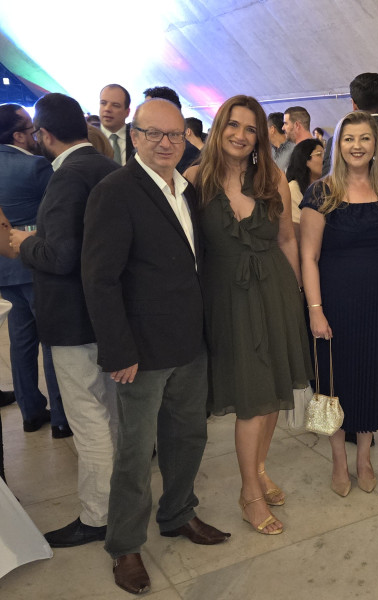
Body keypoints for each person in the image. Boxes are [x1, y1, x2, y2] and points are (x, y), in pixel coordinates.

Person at [82, 98, 230, 595]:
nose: (166, 143)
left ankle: (177, 514)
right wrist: (119, 351)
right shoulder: (115, 191)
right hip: (141, 352)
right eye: (154, 134)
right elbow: (100, 279)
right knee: (134, 453)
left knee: (187, 439)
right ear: (135, 136)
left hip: (189, 342)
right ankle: (125, 545)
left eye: (175, 135)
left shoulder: (185, 188)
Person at [184, 95, 313, 535]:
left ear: (260, 135)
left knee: (274, 388)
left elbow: (287, 241)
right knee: (250, 399)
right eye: (233, 126)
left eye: (251, 128)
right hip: (227, 299)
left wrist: (296, 295)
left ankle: (258, 470)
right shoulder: (194, 179)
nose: (241, 135)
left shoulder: (272, 177)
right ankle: (248, 494)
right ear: (219, 129)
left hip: (274, 290)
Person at [10, 93, 120, 548]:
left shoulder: (66, 178)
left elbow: (59, 254)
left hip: (74, 319)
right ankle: (121, 505)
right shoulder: (111, 169)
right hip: (111, 316)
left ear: (45, 135)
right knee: (111, 414)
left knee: (89, 420)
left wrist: (19, 242)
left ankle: (97, 517)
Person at [300, 111, 378, 497]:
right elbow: (308, 256)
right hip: (333, 303)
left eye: (364, 138)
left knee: (371, 378)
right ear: (338, 145)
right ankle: (339, 462)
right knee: (335, 382)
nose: (357, 146)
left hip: (377, 300)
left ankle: (364, 458)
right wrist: (315, 310)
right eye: (349, 139)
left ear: (375, 144)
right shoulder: (321, 192)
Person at [0, 103, 69, 438]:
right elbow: (55, 213)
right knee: (51, 341)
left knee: (21, 340)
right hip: (32, 262)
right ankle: (60, 416)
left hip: (3, 266)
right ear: (17, 134)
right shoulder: (36, 165)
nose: (34, 133)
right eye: (29, 128)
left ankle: (29, 412)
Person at [286, 138, 324, 240]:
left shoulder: (323, 188)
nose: (324, 159)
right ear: (305, 159)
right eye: (319, 154)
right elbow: (298, 231)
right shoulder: (293, 189)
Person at [98, 84, 133, 165]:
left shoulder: (138, 138)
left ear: (127, 112)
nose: (107, 109)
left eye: (115, 105)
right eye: (103, 103)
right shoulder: (88, 138)